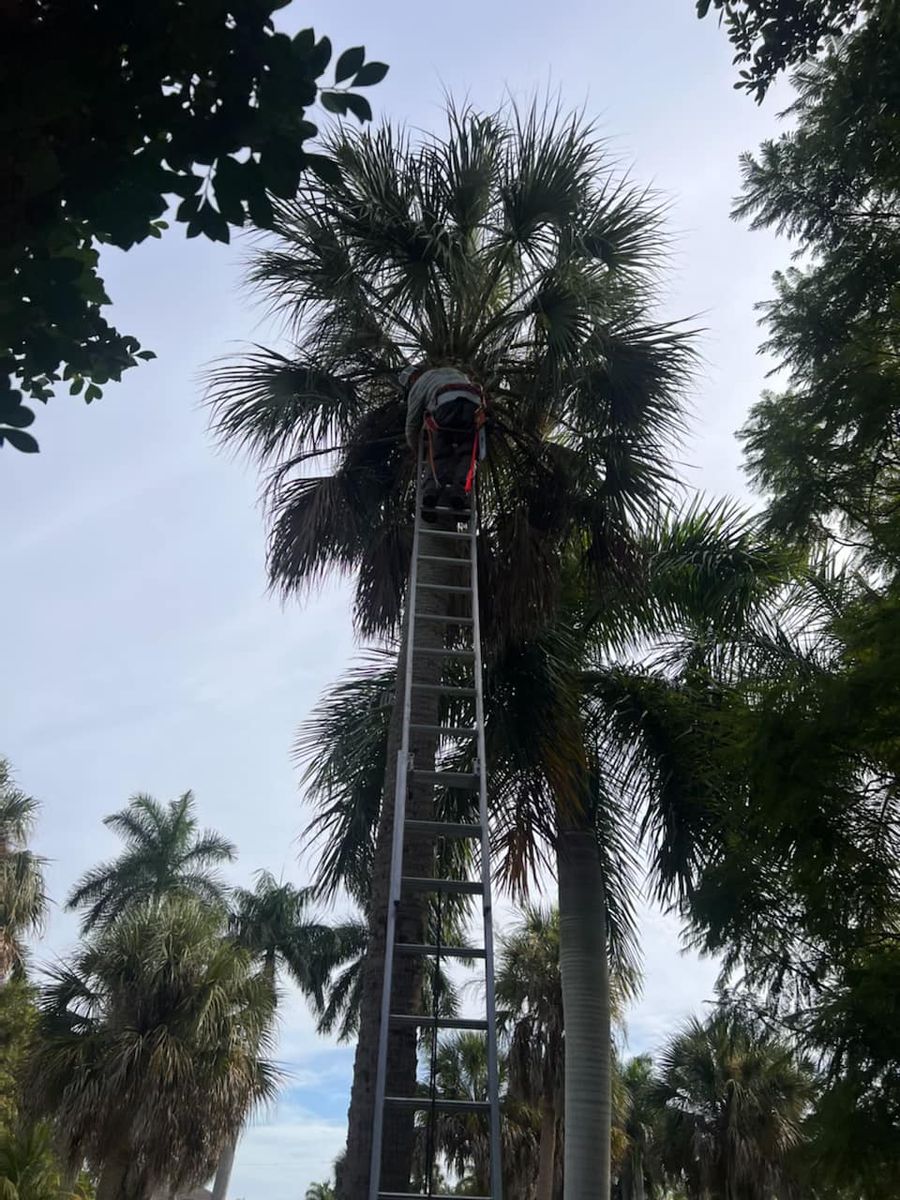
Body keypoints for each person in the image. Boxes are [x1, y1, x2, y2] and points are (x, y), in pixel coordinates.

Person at [400, 364, 484, 519]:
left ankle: (430, 495)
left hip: (446, 402)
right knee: (467, 452)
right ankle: (459, 494)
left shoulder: (418, 384)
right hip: (473, 402)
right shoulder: (452, 371)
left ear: (412, 378)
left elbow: (412, 426)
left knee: (441, 449)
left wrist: (417, 451)